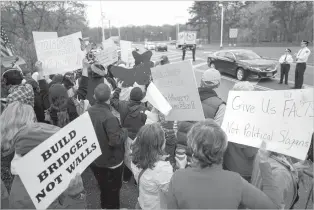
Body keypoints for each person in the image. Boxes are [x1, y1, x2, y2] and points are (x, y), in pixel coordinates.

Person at [166, 119, 281, 209]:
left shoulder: (177, 178)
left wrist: (182, 169)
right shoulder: (236, 182)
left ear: (192, 146)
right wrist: (263, 161)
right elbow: (274, 207)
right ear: (223, 147)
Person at [1, 102, 86, 209]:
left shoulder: (11, 158)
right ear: (28, 126)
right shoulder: (32, 170)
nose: (38, 124)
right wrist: (77, 197)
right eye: (34, 120)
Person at [88, 83, 128, 209]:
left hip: (95, 159)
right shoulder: (109, 117)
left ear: (94, 96)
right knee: (114, 189)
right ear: (109, 97)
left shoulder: (88, 111)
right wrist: (124, 132)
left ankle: (104, 206)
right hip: (111, 161)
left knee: (103, 186)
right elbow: (114, 141)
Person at [176, 68, 226, 154]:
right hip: (200, 154)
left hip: (180, 149)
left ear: (201, 81)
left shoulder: (187, 95)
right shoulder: (220, 106)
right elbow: (216, 134)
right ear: (218, 85)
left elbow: (176, 123)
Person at [110, 81, 148, 183]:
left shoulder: (123, 105)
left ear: (130, 96)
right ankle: (137, 180)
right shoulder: (144, 110)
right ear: (141, 98)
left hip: (126, 136)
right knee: (139, 158)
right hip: (139, 138)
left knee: (127, 156)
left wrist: (118, 88)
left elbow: (113, 100)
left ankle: (126, 178)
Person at [131, 123, 175, 210]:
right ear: (159, 144)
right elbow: (171, 192)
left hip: (142, 201)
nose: (165, 140)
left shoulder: (134, 155)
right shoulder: (162, 168)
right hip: (156, 205)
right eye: (164, 138)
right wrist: (181, 168)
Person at [223, 82, 258, 182]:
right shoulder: (251, 120)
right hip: (244, 171)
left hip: (228, 164)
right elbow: (250, 153)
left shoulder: (227, 112)